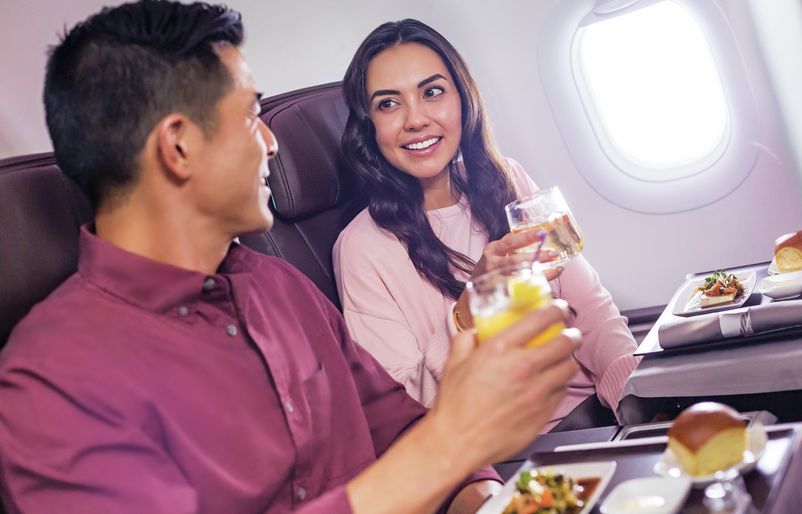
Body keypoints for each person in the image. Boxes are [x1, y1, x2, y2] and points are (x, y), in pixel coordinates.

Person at [0, 2, 581, 513]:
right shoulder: (51, 384)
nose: (272, 143)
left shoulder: (278, 287)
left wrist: (484, 497)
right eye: (251, 115)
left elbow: (397, 424)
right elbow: (431, 446)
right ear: (178, 146)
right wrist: (452, 441)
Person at [333, 19, 639, 428]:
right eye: (389, 103)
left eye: (432, 92)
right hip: (510, 450)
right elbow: (403, 407)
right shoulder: (361, 249)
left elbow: (591, 306)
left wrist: (637, 400)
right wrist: (468, 314)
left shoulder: (508, 177)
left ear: (462, 98)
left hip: (597, 414)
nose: (416, 119)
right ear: (369, 127)